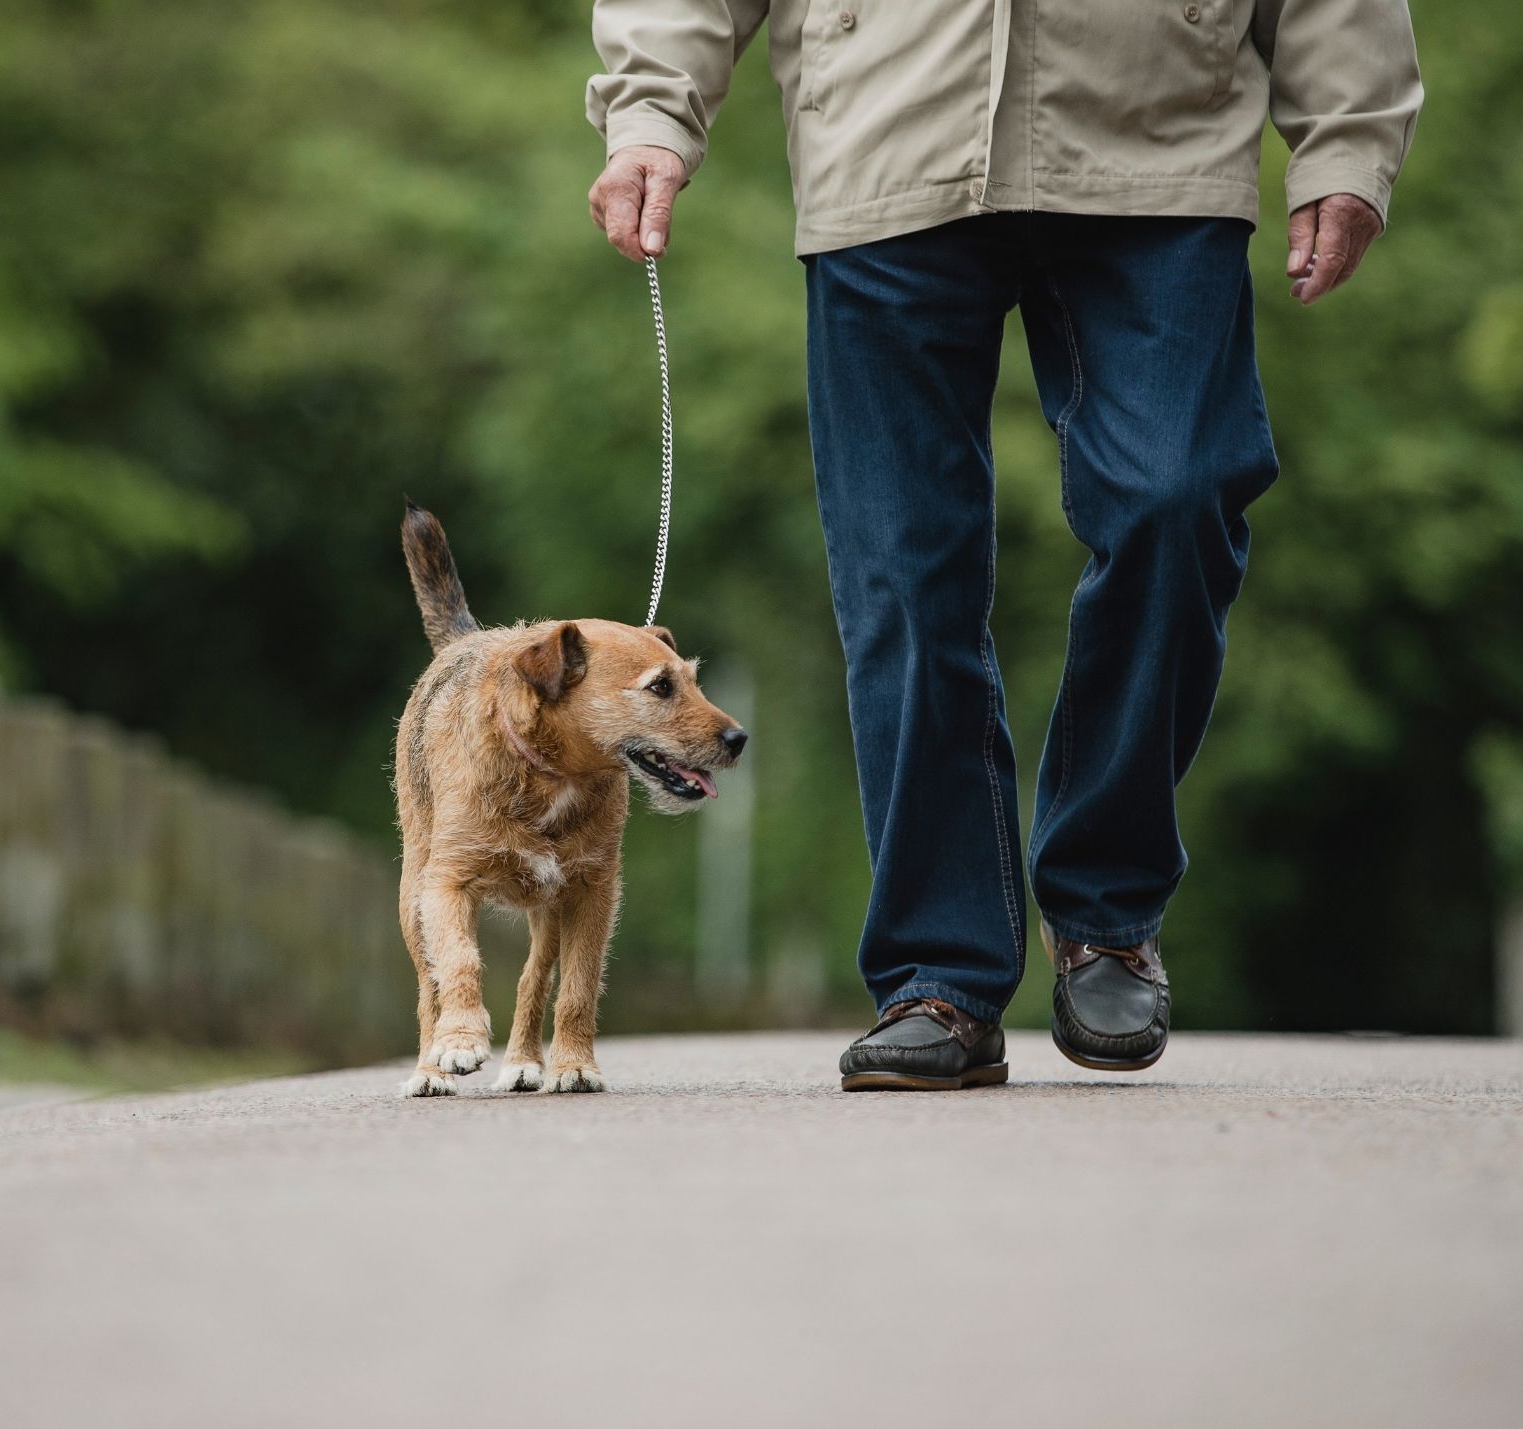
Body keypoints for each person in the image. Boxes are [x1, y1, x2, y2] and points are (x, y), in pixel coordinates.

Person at [586, 1, 1423, 1089]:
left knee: (1179, 495)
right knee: (900, 574)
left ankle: (1106, 910)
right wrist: (652, 105)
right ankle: (938, 974)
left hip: (1155, 138)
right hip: (883, 136)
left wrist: (1348, 134)